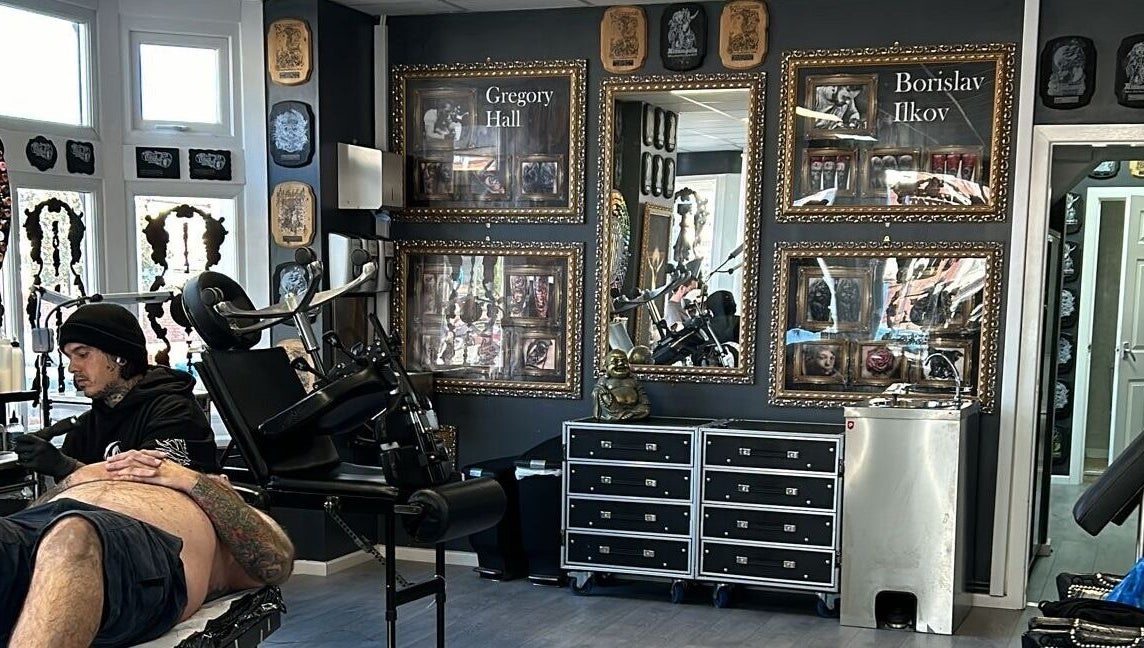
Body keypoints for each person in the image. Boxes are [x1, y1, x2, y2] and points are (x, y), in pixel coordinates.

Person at [1, 449, 294, 646]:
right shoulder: (86, 480)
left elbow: (275, 562)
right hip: (39, 524)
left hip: (129, 546)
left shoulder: (219, 505)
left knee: (72, 538)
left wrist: (193, 481)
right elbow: (31, 514)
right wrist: (73, 480)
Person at [13, 303, 217, 479]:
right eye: (69, 358)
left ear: (120, 357)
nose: (72, 368)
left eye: (82, 354)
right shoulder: (86, 426)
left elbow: (155, 492)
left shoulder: (175, 412)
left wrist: (67, 467)